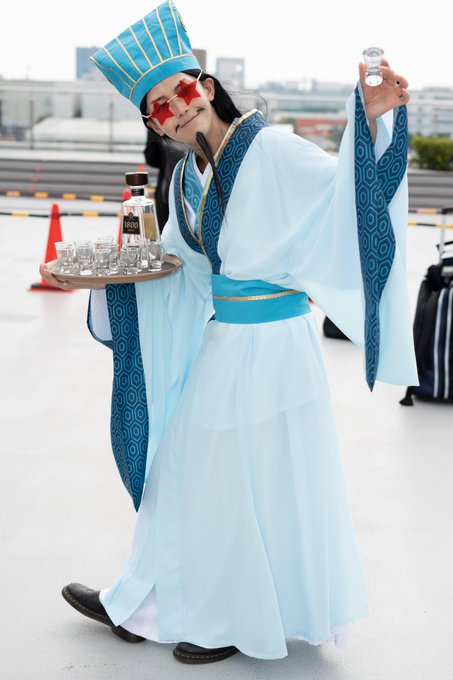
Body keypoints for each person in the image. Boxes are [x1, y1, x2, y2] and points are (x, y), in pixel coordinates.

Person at [40, 0, 417, 665]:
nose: (176, 110)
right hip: (228, 343)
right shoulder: (189, 177)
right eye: (159, 107)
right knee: (188, 473)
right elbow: (178, 268)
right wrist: (100, 274)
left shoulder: (268, 148)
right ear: (154, 124)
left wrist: (371, 121)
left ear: (206, 87)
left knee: (247, 482)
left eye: (181, 92)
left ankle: (234, 619)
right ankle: (146, 601)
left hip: (273, 347)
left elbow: (345, 195)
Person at [143, 133, 186, 230]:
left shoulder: (163, 132)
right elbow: (152, 159)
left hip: (169, 192)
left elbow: (152, 160)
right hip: (169, 194)